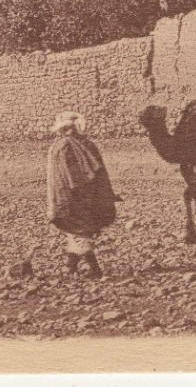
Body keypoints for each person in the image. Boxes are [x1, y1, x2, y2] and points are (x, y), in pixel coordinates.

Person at [47, 111, 118, 277]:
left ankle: (94, 268)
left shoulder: (64, 146)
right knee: (76, 230)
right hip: (83, 196)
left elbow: (72, 177)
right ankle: (70, 265)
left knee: (78, 229)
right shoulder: (83, 145)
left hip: (71, 197)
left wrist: (78, 194)